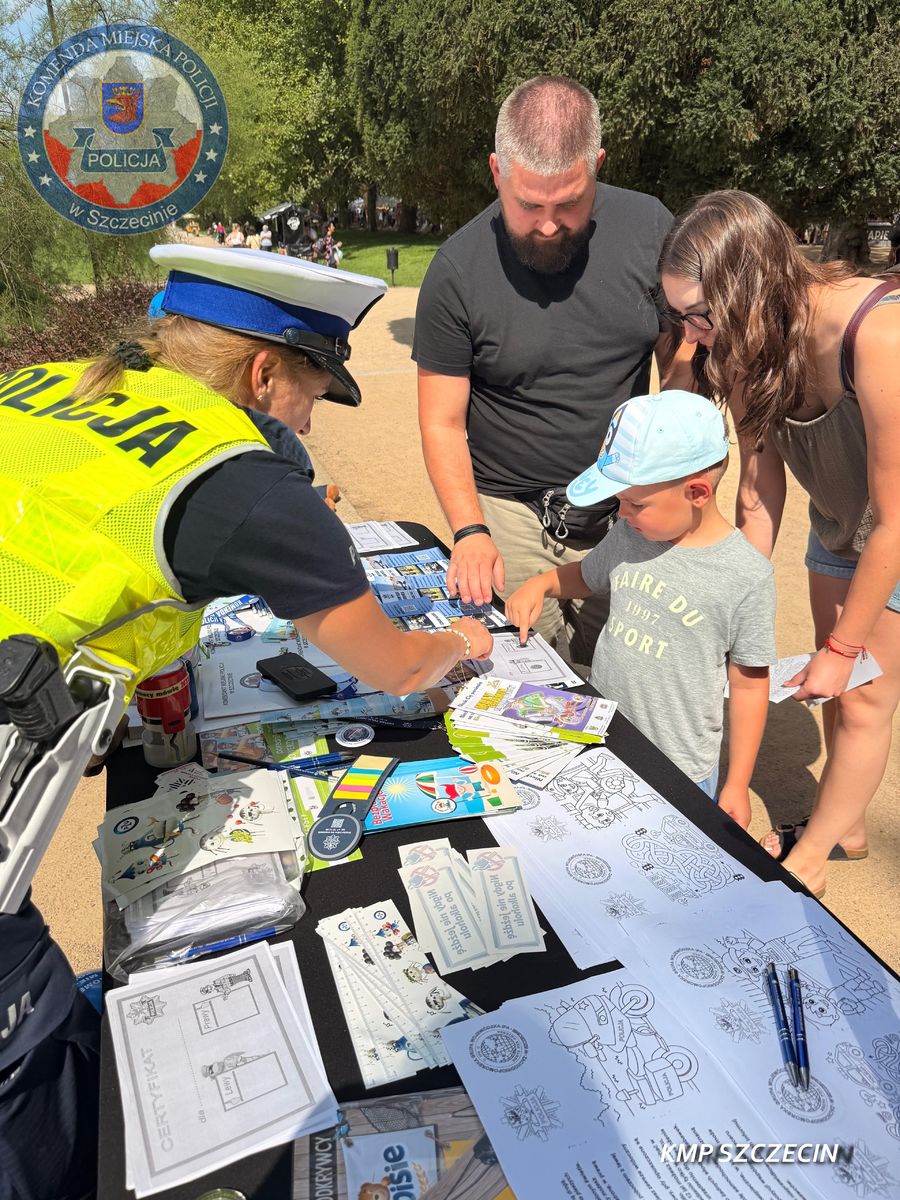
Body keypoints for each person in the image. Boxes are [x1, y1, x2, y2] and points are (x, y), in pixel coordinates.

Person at [0, 246, 492, 1199]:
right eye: (314, 393)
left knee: (50, 995)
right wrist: (460, 642)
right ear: (264, 374)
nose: (309, 422)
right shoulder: (240, 476)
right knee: (36, 1099)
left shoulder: (45, 383)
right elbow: (395, 665)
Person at [658, 189, 900, 900]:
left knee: (863, 692)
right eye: (679, 318)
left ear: (749, 289)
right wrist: (724, 599)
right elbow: (759, 495)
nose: (692, 337)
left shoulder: (877, 336)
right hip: (840, 522)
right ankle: (845, 825)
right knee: (836, 688)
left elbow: (894, 521)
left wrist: (845, 649)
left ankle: (813, 856)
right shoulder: (743, 346)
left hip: (895, 528)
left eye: (699, 316)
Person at [414, 75, 690, 668]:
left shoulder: (651, 229)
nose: (547, 224)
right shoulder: (456, 271)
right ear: (497, 171)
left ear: (597, 166)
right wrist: (469, 531)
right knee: (531, 680)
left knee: (622, 673)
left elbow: (682, 353)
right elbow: (441, 422)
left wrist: (673, 461)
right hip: (510, 510)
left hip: (628, 506)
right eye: (529, 205)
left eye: (568, 204)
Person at [505, 392, 774, 824]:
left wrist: (738, 783)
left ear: (697, 492)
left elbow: (748, 685)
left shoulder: (746, 575)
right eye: (620, 500)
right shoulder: (631, 534)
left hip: (680, 766)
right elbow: (587, 577)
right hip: (604, 734)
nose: (622, 512)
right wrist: (542, 584)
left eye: (636, 503)